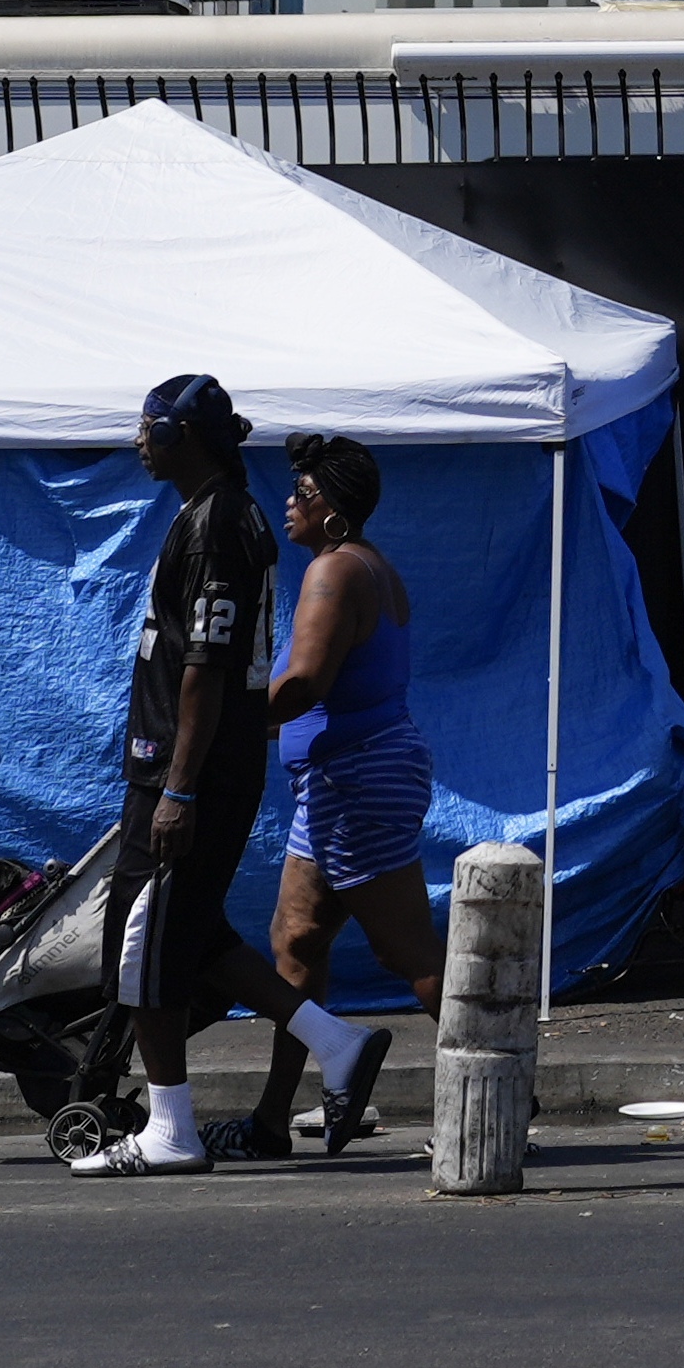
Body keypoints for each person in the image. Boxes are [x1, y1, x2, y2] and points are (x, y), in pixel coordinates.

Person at [71, 373, 387, 1177]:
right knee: (198, 935)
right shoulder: (216, 515)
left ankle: (169, 1130)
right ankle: (335, 1042)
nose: (138, 437)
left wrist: (177, 786)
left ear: (185, 436)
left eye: (150, 424)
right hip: (199, 766)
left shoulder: (218, 525)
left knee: (142, 945)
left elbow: (207, 668)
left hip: (189, 772)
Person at [226, 432, 434, 1157]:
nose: (289, 502)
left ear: (334, 511)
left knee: (409, 953)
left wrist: (223, 721)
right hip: (340, 779)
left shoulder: (336, 572)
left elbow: (306, 682)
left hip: (355, 778)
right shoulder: (358, 565)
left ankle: (506, 1089)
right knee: (296, 942)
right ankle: (270, 1121)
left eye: (303, 493)